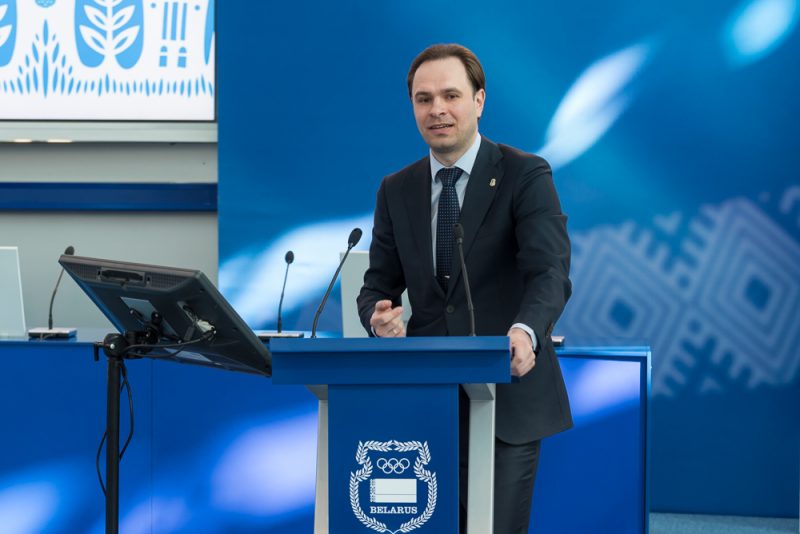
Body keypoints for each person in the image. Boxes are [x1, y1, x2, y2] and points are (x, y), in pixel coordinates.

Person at [357, 43, 572, 533]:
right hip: (427, 399)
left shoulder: (524, 174)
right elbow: (376, 285)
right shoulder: (396, 189)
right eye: (424, 99)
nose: (437, 109)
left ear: (478, 100)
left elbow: (549, 271)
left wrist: (525, 331)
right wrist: (377, 317)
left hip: (506, 393)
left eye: (450, 95)